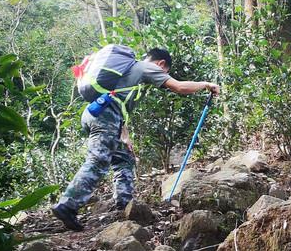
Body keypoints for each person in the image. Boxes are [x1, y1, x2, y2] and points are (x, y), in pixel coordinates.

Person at [52, 44, 219, 232]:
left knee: (124, 158)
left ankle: (124, 204)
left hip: (101, 114)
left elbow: (119, 105)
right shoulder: (146, 67)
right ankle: (68, 205)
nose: (162, 74)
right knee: (98, 160)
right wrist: (206, 85)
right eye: (165, 71)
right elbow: (179, 87)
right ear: (161, 63)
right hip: (104, 116)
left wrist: (125, 137)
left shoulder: (129, 73)